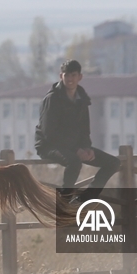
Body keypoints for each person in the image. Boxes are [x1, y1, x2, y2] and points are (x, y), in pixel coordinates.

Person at [34, 59, 119, 201]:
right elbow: (49, 133)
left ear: (80, 77)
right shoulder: (52, 99)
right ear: (61, 76)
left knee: (113, 163)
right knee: (74, 162)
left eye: (73, 75)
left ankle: (85, 199)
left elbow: (85, 129)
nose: (70, 79)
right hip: (49, 145)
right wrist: (76, 150)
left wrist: (86, 147)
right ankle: (64, 201)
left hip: (74, 146)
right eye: (66, 75)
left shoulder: (82, 99)